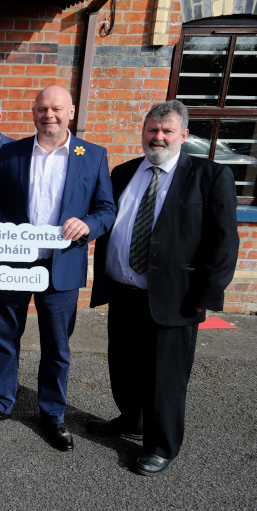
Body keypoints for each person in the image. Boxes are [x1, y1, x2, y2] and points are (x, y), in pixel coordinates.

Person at [87, 101, 238, 476]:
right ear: (143, 133)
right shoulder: (122, 173)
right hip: (124, 292)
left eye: (167, 131)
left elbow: (224, 243)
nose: (158, 137)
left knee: (165, 377)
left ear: (183, 135)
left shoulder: (209, 176)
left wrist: (205, 297)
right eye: (152, 130)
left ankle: (162, 444)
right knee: (123, 367)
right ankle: (131, 420)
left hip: (175, 298)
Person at [0, 85, 116, 452]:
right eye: (41, 109)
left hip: (62, 267)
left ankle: (52, 413)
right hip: (15, 265)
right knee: (4, 337)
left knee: (57, 345)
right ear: (33, 112)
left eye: (56, 109)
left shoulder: (92, 155)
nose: (48, 115)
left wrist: (88, 226)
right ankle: (1, 402)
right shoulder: (13, 152)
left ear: (71, 111)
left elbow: (106, 210)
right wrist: (2, 235)